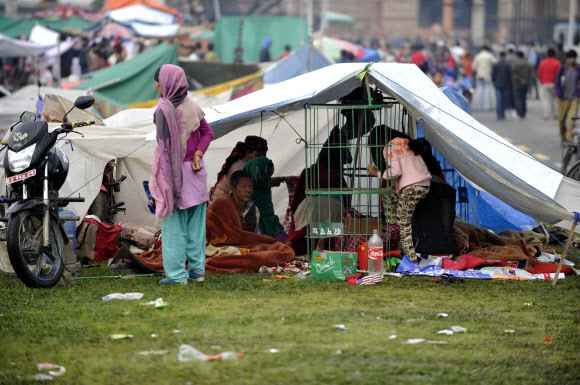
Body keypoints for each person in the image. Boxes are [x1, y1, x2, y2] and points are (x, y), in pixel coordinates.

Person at [150, 64, 214, 284]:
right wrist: (198, 154)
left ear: (166, 83)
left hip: (174, 175)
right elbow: (208, 132)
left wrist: (161, 180)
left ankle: (177, 276)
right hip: (196, 175)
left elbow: (164, 151)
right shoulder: (193, 106)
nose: (157, 87)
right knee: (196, 226)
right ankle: (197, 272)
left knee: (174, 227)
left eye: (158, 82)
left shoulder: (163, 110)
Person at [367, 135, 431, 261]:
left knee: (404, 225)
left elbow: (395, 171)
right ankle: (393, 229)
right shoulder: (407, 142)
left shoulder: (390, 146)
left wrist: (376, 173)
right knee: (389, 194)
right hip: (424, 185)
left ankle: (411, 262)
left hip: (411, 188)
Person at [210, 136, 268, 203]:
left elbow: (259, 182)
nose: (261, 159)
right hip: (222, 203)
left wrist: (278, 180)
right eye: (258, 155)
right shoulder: (239, 167)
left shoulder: (253, 164)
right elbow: (238, 195)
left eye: (264, 156)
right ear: (248, 153)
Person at [243, 157, 287, 240]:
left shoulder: (264, 188)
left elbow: (269, 215)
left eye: (270, 176)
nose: (269, 180)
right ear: (257, 174)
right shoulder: (244, 196)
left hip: (270, 226)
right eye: (267, 176)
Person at [555, 49, 580, 144]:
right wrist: (557, 94)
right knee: (561, 119)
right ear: (568, 59)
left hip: (574, 98)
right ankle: (563, 136)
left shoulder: (578, 70)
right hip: (563, 98)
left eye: (573, 58)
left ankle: (569, 138)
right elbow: (557, 82)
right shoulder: (563, 69)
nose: (572, 60)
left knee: (572, 119)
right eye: (570, 58)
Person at [537, 47, 562, 120]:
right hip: (555, 84)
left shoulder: (542, 63)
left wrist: (542, 81)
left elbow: (539, 74)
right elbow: (560, 74)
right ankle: (556, 115)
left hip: (545, 83)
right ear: (554, 54)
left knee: (546, 100)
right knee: (555, 100)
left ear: (547, 54)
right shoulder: (558, 63)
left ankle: (546, 115)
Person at [511, 51, 534, 119]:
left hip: (517, 83)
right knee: (523, 98)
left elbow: (513, 73)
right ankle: (523, 112)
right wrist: (527, 80)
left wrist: (520, 79)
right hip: (526, 83)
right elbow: (532, 73)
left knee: (518, 98)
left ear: (517, 56)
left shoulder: (514, 63)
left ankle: (519, 112)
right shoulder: (528, 63)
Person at [472, 45, 496, 111]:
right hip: (487, 75)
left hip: (479, 75)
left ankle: (479, 106)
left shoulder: (477, 56)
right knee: (488, 91)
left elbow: (474, 67)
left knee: (480, 91)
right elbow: (495, 63)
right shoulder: (489, 56)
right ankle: (487, 106)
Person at [492, 52, 512, 120]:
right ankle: (503, 114)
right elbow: (509, 75)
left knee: (499, 100)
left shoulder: (496, 65)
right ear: (505, 56)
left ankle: (499, 114)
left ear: (500, 56)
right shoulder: (507, 65)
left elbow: (493, 75)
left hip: (497, 84)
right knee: (504, 100)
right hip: (505, 84)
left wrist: (494, 82)